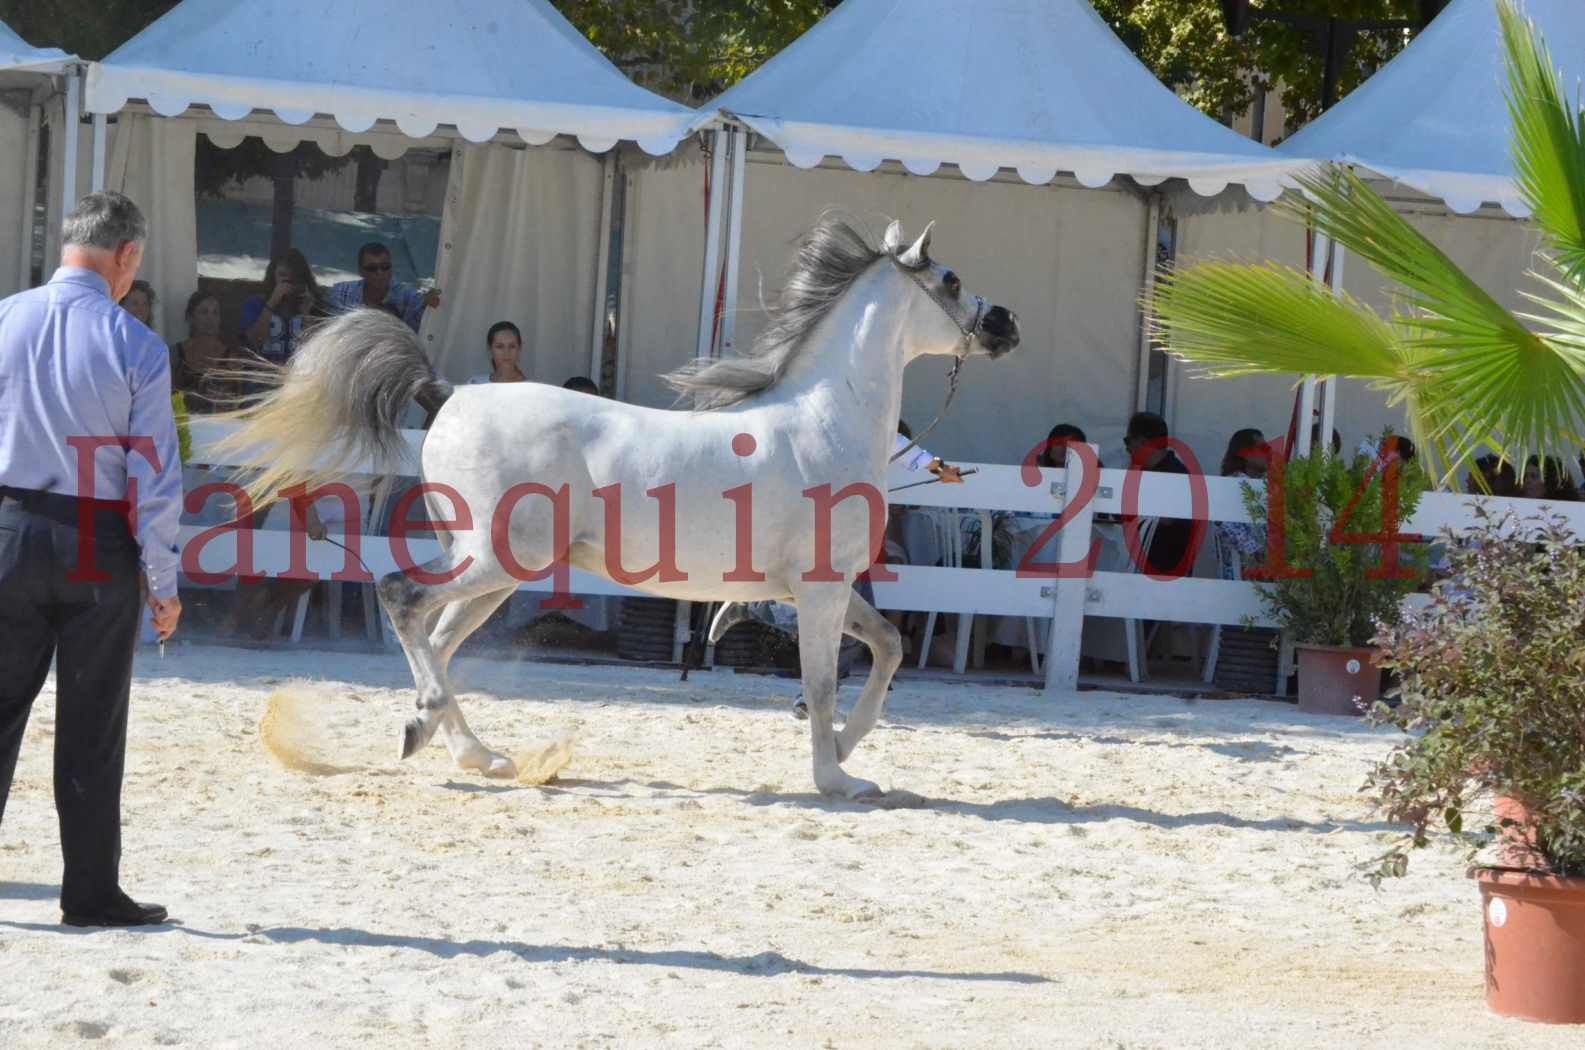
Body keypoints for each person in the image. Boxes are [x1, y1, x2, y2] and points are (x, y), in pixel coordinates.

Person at [0, 191, 182, 928]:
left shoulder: (5, 317)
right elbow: (154, 477)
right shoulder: (135, 343)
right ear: (126, 256)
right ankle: (89, 894)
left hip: (8, 525)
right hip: (93, 542)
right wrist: (164, 583)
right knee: (92, 723)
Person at [1123, 411, 1195, 578]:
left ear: (1142, 441)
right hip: (1147, 567)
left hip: (1165, 569)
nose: (1126, 448)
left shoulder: (1176, 473)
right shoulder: (1149, 471)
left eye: (1127, 441)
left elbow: (1168, 519)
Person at [326, 242, 441, 333]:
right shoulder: (341, 293)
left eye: (385, 267)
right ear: (360, 271)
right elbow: (330, 331)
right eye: (372, 268)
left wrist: (431, 300)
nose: (380, 273)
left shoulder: (407, 297)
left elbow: (426, 307)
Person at [240, 249, 325, 367]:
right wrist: (272, 301)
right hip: (263, 376)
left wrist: (307, 314)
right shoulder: (255, 303)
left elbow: (317, 353)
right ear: (272, 275)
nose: (287, 282)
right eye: (282, 275)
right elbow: (255, 342)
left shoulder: (313, 306)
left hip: (297, 376)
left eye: (294, 278)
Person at [169, 291, 237, 414]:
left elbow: (238, 401)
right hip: (181, 425)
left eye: (215, 313)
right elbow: (163, 395)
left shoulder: (230, 358)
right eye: (204, 312)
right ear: (190, 318)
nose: (210, 319)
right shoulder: (174, 355)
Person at [1214, 428, 1268, 579]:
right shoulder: (1233, 484)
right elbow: (1224, 523)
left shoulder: (1260, 486)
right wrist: (1257, 552)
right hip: (1241, 575)